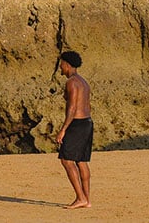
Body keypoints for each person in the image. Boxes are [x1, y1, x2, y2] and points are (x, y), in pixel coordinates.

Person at [55, 50, 92, 209]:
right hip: (87, 122)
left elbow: (72, 108)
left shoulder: (71, 82)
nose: (60, 67)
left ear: (67, 64)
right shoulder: (83, 82)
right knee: (81, 161)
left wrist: (63, 129)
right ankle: (86, 200)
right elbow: (86, 104)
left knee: (67, 160)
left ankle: (80, 198)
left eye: (61, 64)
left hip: (76, 124)